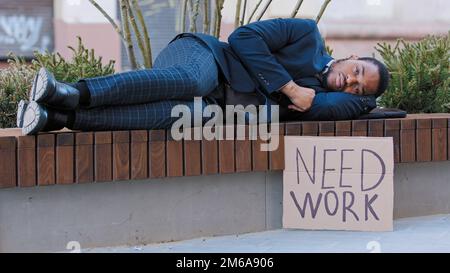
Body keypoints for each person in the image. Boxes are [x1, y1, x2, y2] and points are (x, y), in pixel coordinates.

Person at [17, 18, 389, 135]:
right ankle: (70, 92)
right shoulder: (307, 34)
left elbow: (366, 106)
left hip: (220, 105)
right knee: (191, 82)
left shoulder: (323, 101)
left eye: (357, 87)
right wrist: (289, 87)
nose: (350, 82)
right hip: (207, 56)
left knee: (176, 116)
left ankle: (58, 117)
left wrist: (368, 101)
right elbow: (245, 37)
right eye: (355, 71)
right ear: (350, 57)